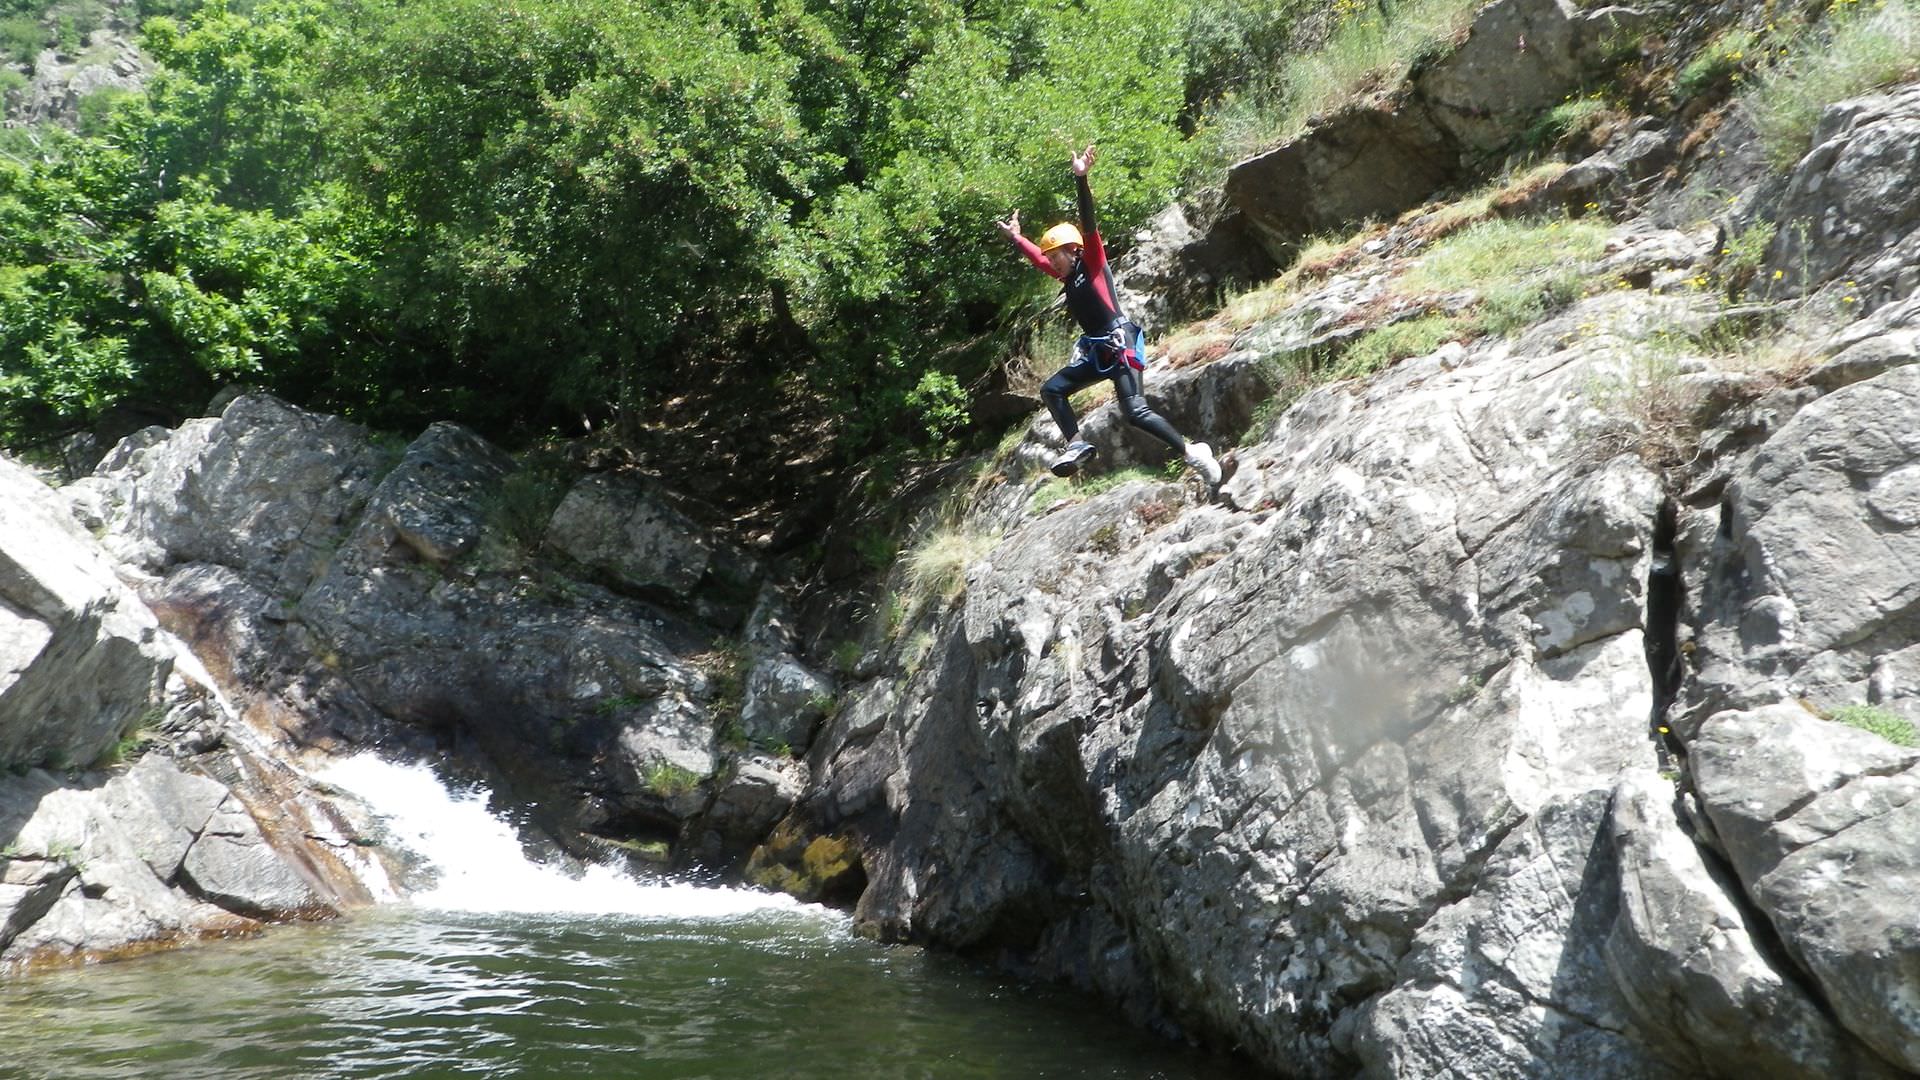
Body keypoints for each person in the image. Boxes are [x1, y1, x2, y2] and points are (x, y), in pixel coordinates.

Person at [998, 144, 1221, 485]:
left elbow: (1088, 224)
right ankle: (1076, 445)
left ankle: (1194, 454)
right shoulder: (1067, 276)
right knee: (1052, 390)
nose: (1053, 261)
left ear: (1073, 251)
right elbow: (1038, 260)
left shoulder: (1092, 263)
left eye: (1057, 254)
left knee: (1136, 412)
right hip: (1098, 350)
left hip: (1121, 343)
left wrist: (1081, 179)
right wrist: (1018, 239)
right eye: (1051, 256)